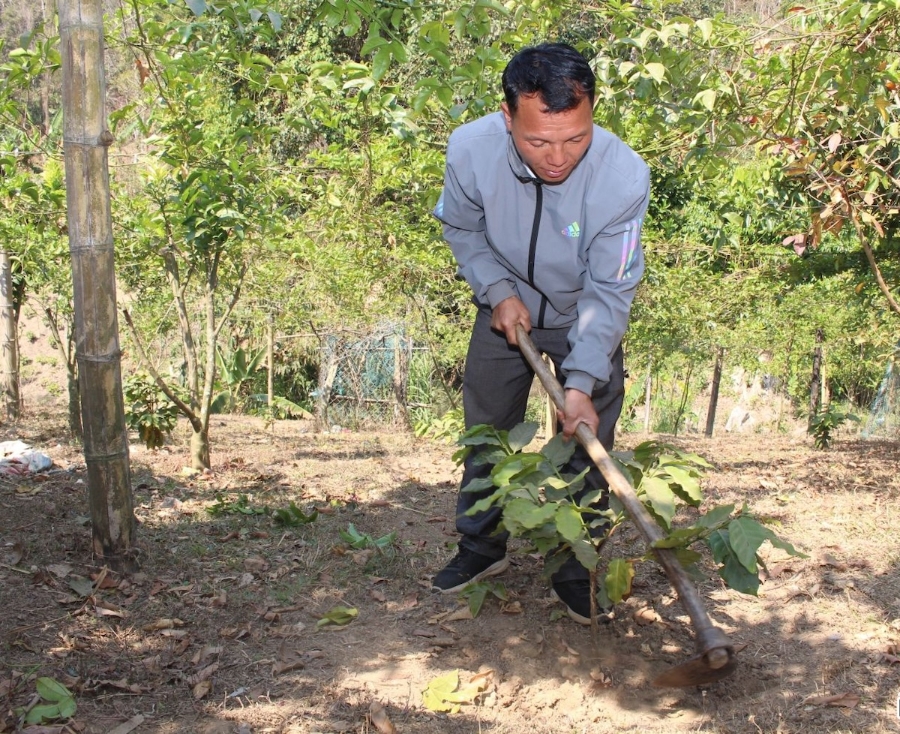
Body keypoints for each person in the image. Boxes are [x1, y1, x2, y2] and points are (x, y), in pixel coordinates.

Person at [430, 42, 650, 625]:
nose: (557, 157)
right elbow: (462, 227)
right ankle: (480, 549)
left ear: (593, 111)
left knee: (584, 438)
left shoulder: (624, 177)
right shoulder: (469, 151)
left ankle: (574, 567)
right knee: (487, 434)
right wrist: (496, 291)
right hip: (502, 310)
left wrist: (580, 382)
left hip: (585, 314)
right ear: (508, 118)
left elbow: (611, 290)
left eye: (575, 139)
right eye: (538, 141)